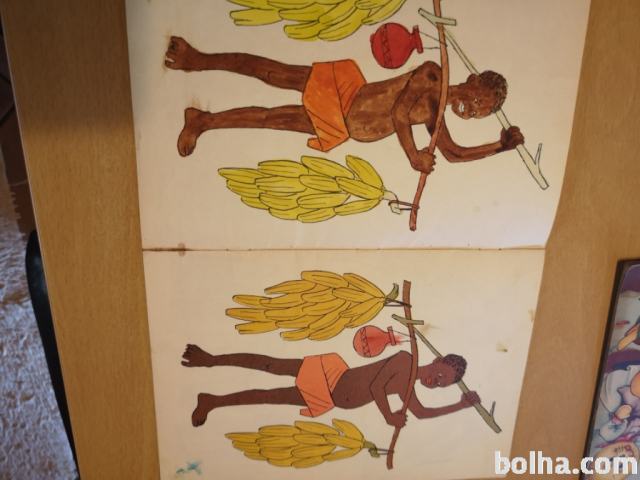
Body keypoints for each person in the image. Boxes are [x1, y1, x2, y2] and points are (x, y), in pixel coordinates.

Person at [165, 36, 524, 173]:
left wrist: (500, 147)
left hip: (344, 125)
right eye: (477, 98)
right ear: (472, 80)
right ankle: (197, 60)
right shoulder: (432, 75)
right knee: (272, 73)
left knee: (270, 118)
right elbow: (399, 112)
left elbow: (454, 154)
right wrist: (413, 156)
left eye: (478, 111)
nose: (471, 107)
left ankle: (202, 121)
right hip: (345, 92)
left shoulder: (436, 116)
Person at [181, 344, 480, 428]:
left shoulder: (407, 390)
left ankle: (212, 401)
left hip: (330, 398)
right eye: (439, 374)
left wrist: (460, 405)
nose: (434, 381)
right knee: (272, 365)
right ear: (436, 360)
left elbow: (422, 413)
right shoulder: (405, 360)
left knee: (270, 396)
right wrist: (389, 416)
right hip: (331, 376)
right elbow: (377, 386)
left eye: (441, 384)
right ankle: (210, 360)